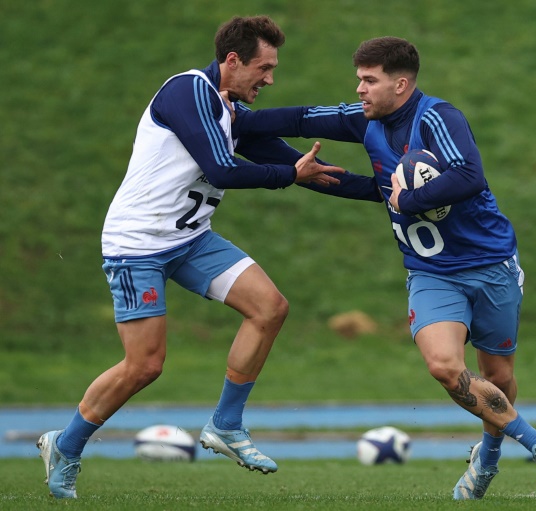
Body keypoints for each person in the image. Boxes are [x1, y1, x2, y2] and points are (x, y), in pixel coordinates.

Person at [37, 16, 381, 499]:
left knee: (270, 308)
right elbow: (224, 168)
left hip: (191, 238)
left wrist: (388, 194)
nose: (270, 79)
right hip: (137, 245)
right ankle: (66, 445)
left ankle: (226, 425)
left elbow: (308, 169)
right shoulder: (186, 91)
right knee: (146, 365)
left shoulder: (230, 113)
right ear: (233, 60)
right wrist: (287, 175)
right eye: (264, 67)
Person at [234, 36, 536, 499]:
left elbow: (468, 175)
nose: (359, 89)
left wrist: (407, 199)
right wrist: (238, 119)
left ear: (400, 84)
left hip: (491, 264)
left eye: (369, 80)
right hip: (431, 272)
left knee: (497, 378)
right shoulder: (364, 119)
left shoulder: (438, 116)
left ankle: (487, 458)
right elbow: (299, 119)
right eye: (359, 78)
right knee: (443, 365)